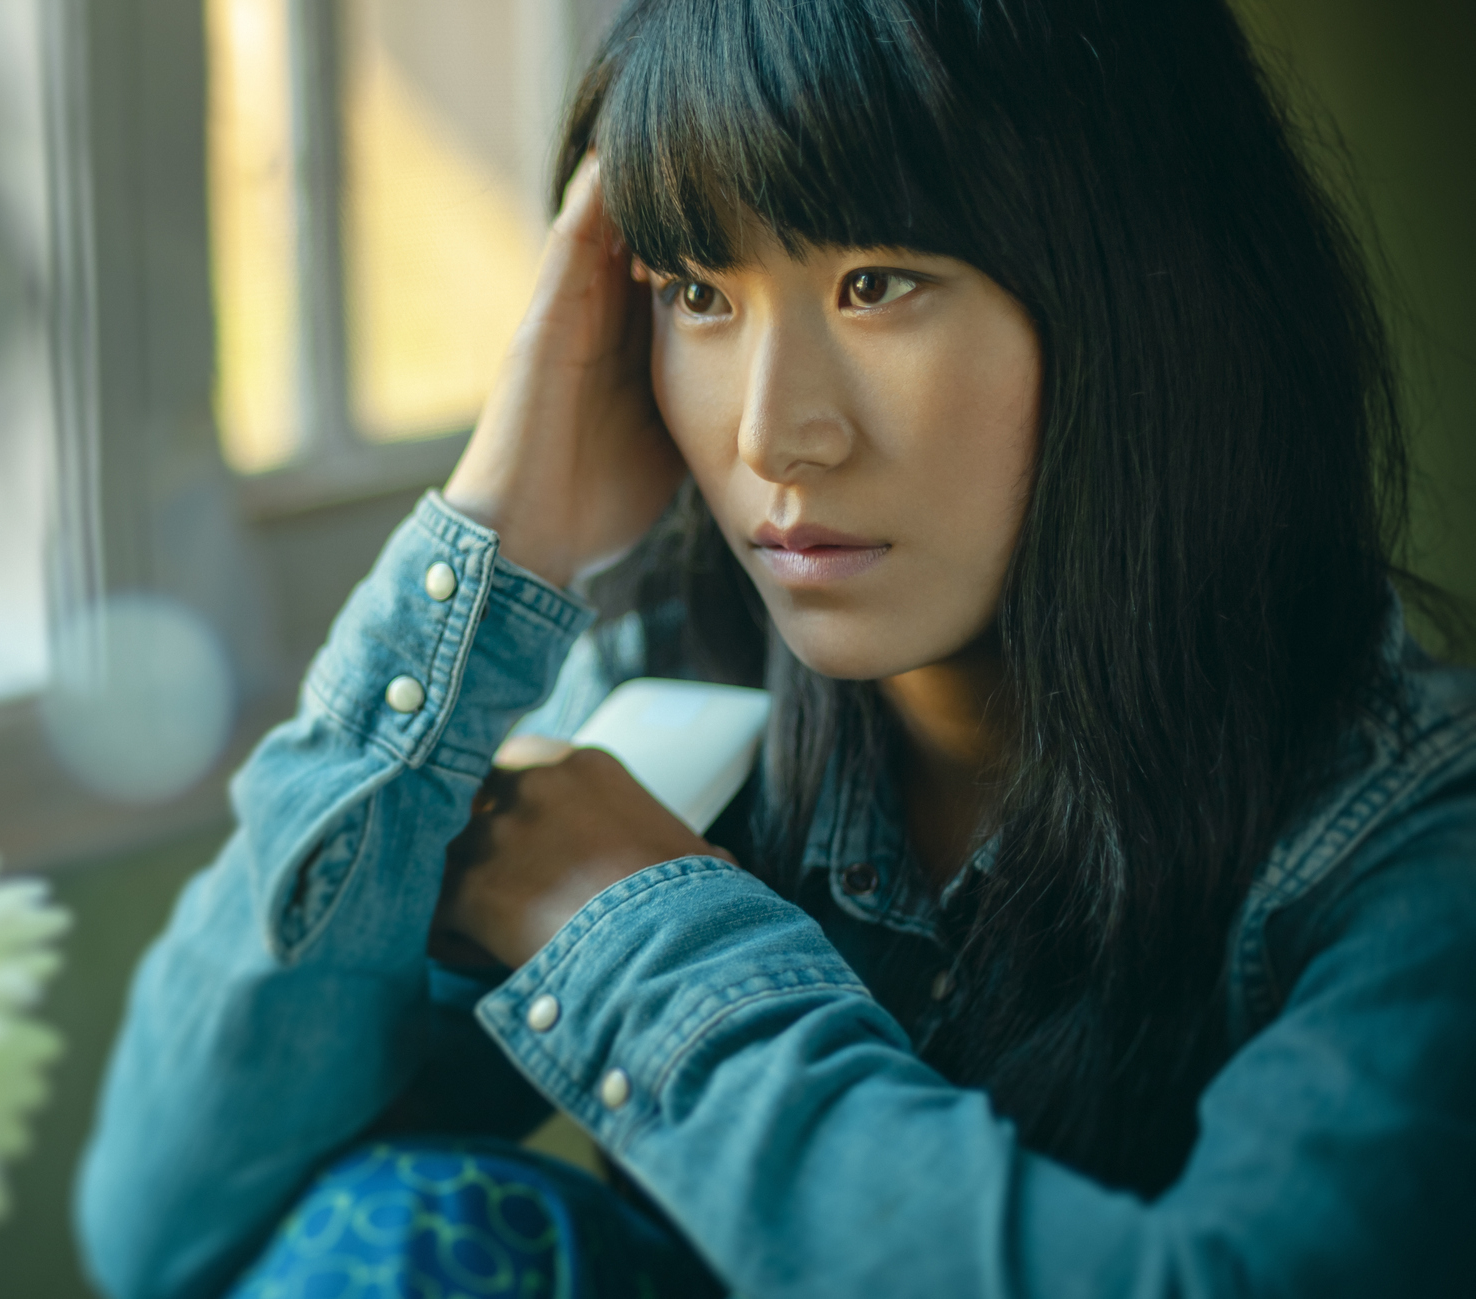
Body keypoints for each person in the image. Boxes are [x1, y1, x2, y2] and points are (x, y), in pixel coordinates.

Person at [75, 0, 1476, 1293]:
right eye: (696, 292)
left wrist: (639, 934)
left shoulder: (1414, 845)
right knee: (402, 1232)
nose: (768, 432)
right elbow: (162, 1223)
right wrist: (493, 536)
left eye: (877, 283)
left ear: (1149, 301)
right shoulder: (669, 706)